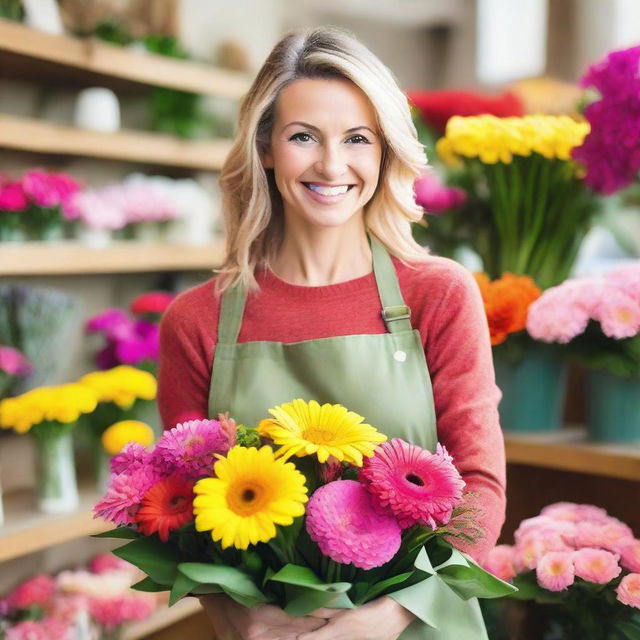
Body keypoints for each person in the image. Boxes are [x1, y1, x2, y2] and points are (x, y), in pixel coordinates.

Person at [158, 26, 506, 640]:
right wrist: (238, 619)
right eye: (302, 137)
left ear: (383, 152)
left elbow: (478, 487)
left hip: (421, 626)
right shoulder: (197, 319)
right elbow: (183, 509)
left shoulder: (439, 293)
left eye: (356, 139)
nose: (331, 164)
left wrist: (393, 614)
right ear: (265, 148)